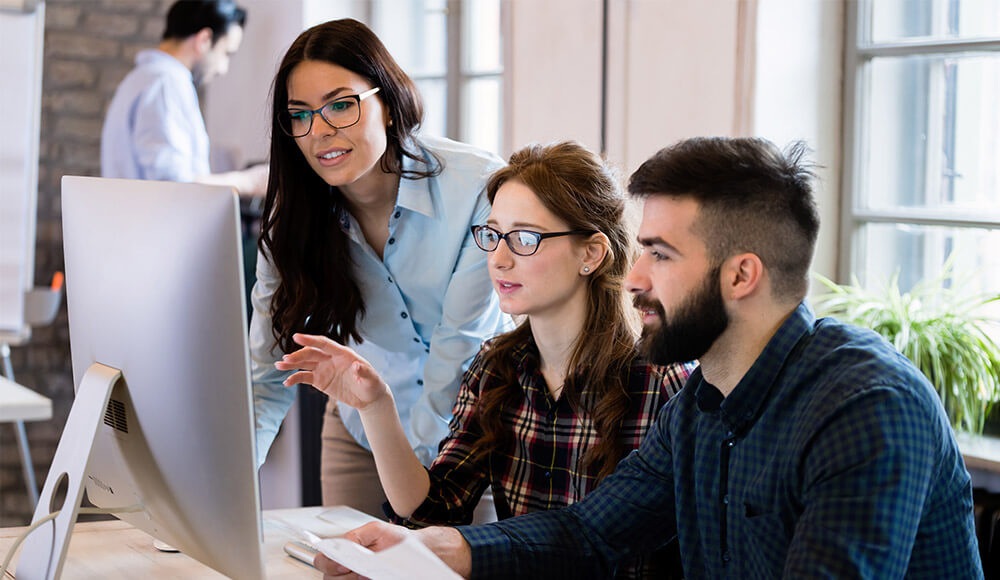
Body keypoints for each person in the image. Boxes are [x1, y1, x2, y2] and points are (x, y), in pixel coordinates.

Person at [316, 137, 983, 579]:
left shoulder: (864, 406)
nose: (632, 278)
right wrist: (430, 547)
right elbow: (590, 534)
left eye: (659, 255)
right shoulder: (704, 404)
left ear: (740, 275)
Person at [278, 141, 694, 577]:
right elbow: (433, 509)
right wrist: (375, 405)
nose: (498, 258)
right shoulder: (498, 367)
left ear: (590, 253)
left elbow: (629, 544)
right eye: (492, 234)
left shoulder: (660, 383)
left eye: (525, 238)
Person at [250, 19, 510, 518]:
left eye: (341, 105)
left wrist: (411, 492)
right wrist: (223, 494)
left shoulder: (477, 187)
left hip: (470, 436)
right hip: (360, 428)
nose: (319, 131)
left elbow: (458, 353)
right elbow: (265, 375)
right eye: (299, 115)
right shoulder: (295, 225)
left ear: (387, 103)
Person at [101, 0, 264, 192]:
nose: (223, 69)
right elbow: (175, 185)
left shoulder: (141, 79)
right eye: (226, 53)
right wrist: (248, 182)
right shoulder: (165, 84)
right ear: (204, 40)